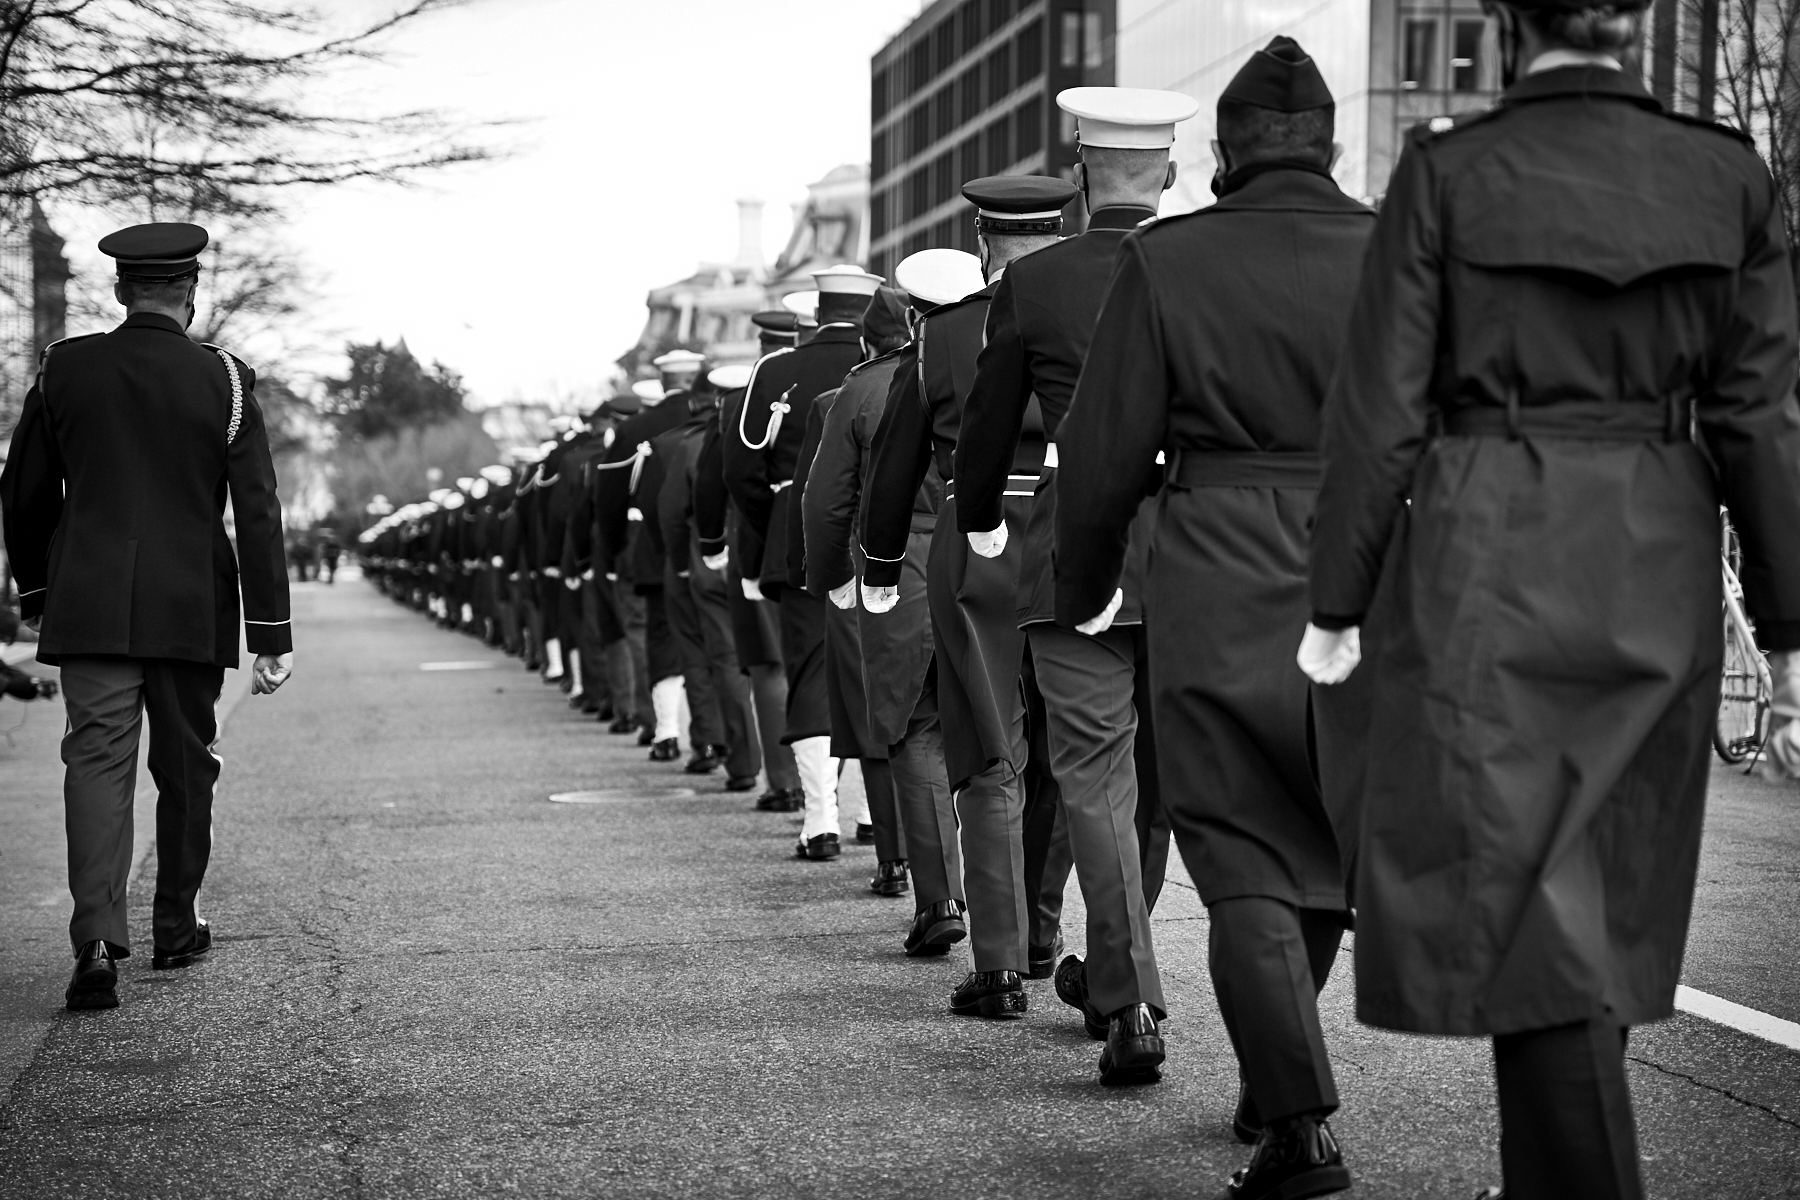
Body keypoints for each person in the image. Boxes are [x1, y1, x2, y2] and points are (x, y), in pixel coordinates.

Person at [1302, 4, 1800, 1198]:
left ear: (1507, 20)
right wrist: (1786, 637)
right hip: (1657, 542)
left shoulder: (1447, 171)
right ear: (1630, 18)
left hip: (1492, 543)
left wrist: (1338, 602)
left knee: (1534, 910)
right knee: (1602, 894)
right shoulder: (1726, 175)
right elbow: (1763, 421)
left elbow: (1379, 413)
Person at [1058, 39, 1371, 1194]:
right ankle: (1274, 1064)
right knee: (1324, 839)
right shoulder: (1399, 251)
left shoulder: (1168, 259)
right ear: (1330, 146)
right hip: (1367, 561)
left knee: (1240, 849)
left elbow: (1100, 456)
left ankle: (1296, 1116)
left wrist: (1086, 584)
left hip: (1218, 562)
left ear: (1225, 153)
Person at [0, 221, 293, 1012]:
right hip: (190, 603)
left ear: (122, 290)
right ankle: (174, 925)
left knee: (95, 764)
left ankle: (95, 940)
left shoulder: (65, 371)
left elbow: (23, 495)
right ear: (189, 295)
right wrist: (272, 634)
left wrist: (36, 593)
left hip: (89, 603)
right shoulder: (227, 382)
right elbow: (257, 512)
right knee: (187, 763)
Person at [956, 95, 1193, 1049]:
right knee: (1161, 782)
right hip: (1190, 550)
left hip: (1072, 554)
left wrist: (977, 524)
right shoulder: (1200, 263)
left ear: (1084, 176)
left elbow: (985, 424)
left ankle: (1126, 993)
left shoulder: (1038, 280)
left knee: (1091, 778)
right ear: (1169, 176)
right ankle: (1115, 964)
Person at [864, 177, 1082, 1013]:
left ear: (986, 242)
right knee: (1073, 746)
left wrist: (882, 565)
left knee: (992, 751)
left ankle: (994, 967)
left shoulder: (947, 332)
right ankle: (1039, 935)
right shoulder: (1099, 303)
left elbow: (896, 464)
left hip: (977, 539)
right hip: (1073, 528)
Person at [724, 265, 879, 860]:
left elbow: (742, 471)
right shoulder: (894, 362)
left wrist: (778, 533)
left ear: (816, 310)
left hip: (798, 534)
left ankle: (819, 820)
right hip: (880, 530)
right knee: (875, 666)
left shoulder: (775, 370)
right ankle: (871, 813)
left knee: (811, 670)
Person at [803, 283, 938, 900]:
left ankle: (901, 864)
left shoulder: (855, 389)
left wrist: (831, 577)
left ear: (867, 338)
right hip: (990, 556)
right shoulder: (982, 360)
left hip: (888, 564)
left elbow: (826, 502)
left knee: (893, 716)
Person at [695, 314, 804, 811]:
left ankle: (785, 782)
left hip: (762, 546)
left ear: (762, 345)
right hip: (844, 542)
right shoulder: (850, 372)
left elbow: (720, 481)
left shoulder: (743, 402)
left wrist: (723, 543)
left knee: (768, 664)